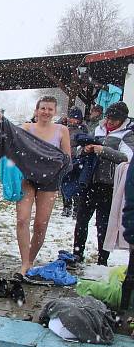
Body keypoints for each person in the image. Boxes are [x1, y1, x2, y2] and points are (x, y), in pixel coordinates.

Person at [0, 97, 71, 276]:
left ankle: (31, 259)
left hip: (50, 180)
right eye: (43, 108)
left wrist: (52, 166)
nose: (46, 112)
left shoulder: (62, 130)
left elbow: (67, 159)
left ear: (55, 112)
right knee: (22, 219)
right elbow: (9, 137)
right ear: (36, 110)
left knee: (41, 224)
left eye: (50, 109)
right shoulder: (26, 128)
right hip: (27, 178)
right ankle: (25, 262)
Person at [72, 101, 134, 265]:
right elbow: (79, 149)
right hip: (89, 182)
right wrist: (85, 150)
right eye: (108, 118)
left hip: (109, 185)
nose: (110, 122)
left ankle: (102, 258)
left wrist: (103, 150)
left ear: (122, 119)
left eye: (114, 119)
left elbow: (128, 158)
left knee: (103, 225)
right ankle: (77, 253)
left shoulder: (127, 134)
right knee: (81, 220)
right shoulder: (97, 129)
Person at [62, 107, 88, 218]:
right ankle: (66, 207)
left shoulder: (82, 130)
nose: (72, 120)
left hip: (77, 162)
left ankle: (76, 208)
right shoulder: (63, 128)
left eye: (75, 118)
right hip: (64, 161)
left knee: (75, 186)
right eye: (71, 118)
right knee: (64, 185)